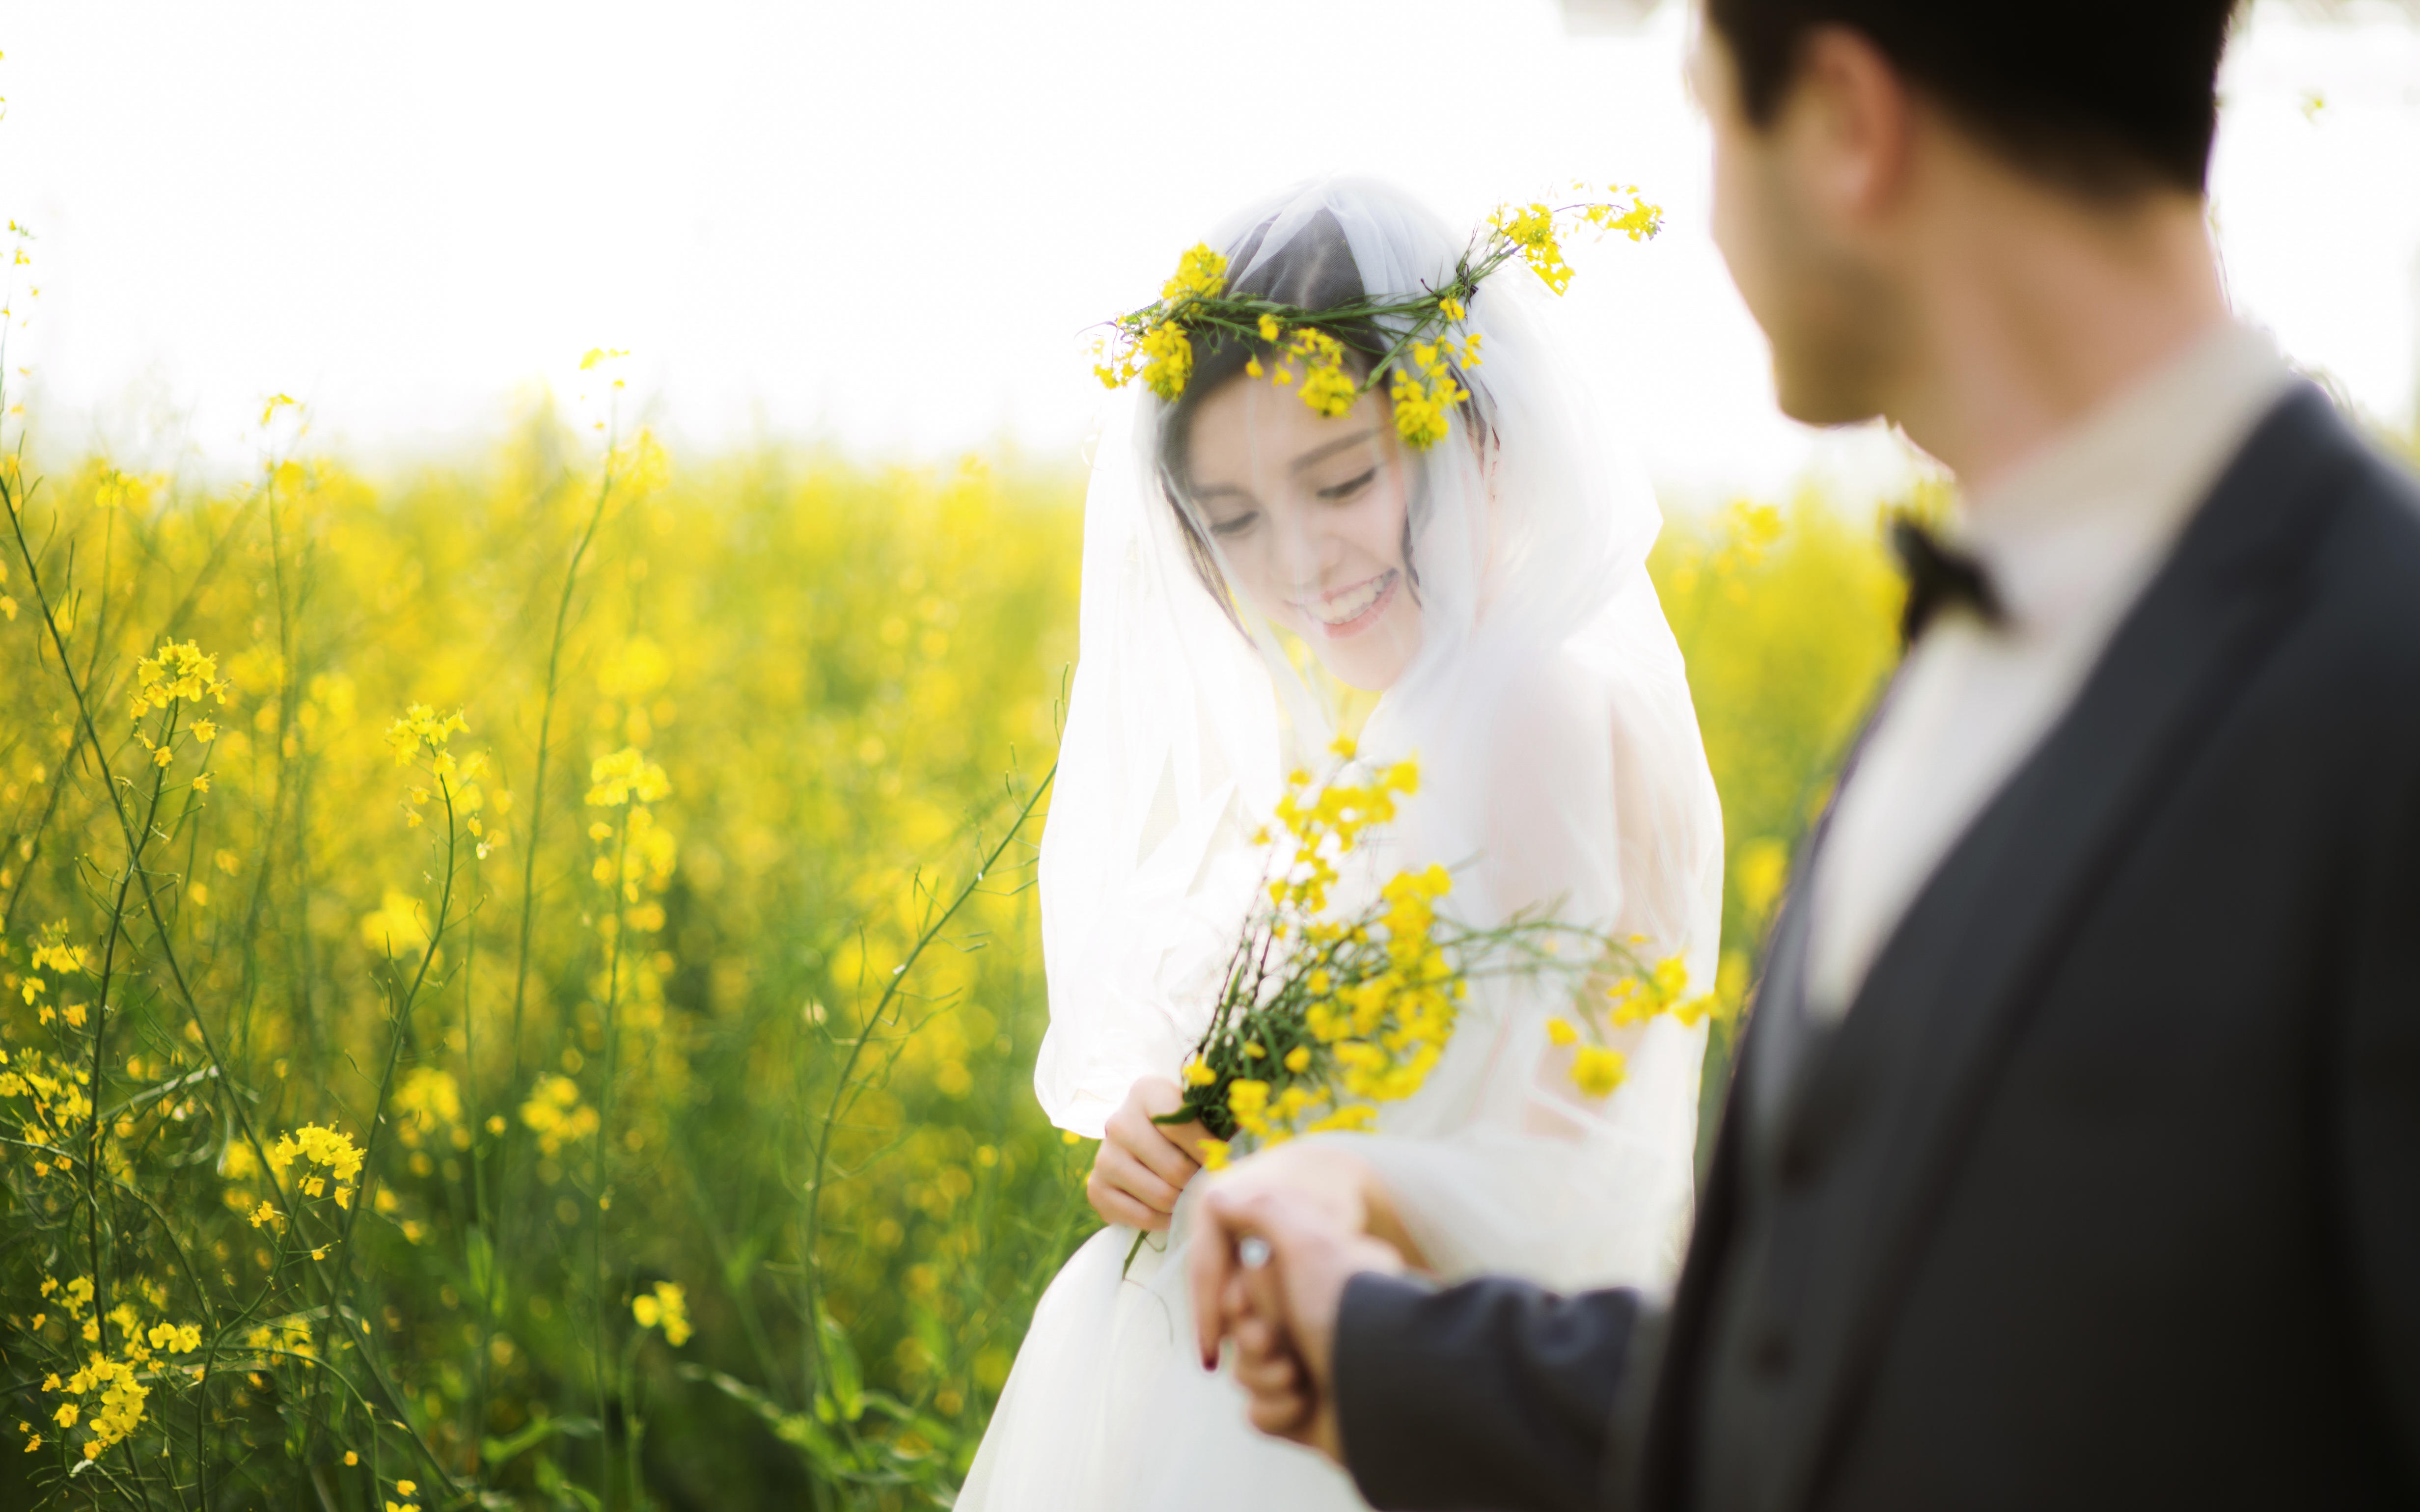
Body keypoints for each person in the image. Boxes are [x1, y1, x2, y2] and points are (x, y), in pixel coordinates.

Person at [1191, 3, 2420, 1510]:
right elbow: (1828, 1383)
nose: (1709, 209)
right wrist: (1374, 1346)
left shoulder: (2382, 692)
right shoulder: (1977, 660)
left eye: (1713, 115)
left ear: (1846, 121)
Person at [954, 178, 1729, 1512]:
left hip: (1388, 1415)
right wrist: (1180, 1129)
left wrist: (1306, 1175)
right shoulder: (1436, 720)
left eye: (1344, 480)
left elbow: (1569, 1168)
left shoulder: (1531, 702)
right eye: (1236, 519)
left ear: (1480, 433)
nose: (1300, 561)